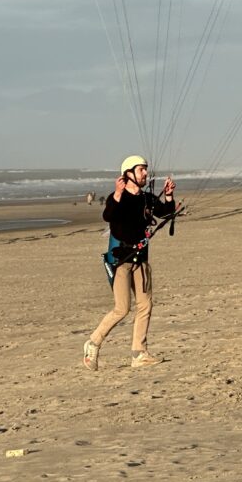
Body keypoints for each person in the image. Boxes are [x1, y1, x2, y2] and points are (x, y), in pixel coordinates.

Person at [83, 155, 176, 370]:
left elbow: (166, 213)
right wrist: (117, 193)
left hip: (141, 261)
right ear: (128, 174)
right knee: (122, 308)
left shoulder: (148, 199)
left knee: (145, 305)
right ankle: (93, 342)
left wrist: (169, 196)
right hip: (121, 261)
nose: (145, 173)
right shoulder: (117, 198)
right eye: (141, 169)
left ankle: (139, 352)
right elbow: (108, 216)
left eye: (145, 169)